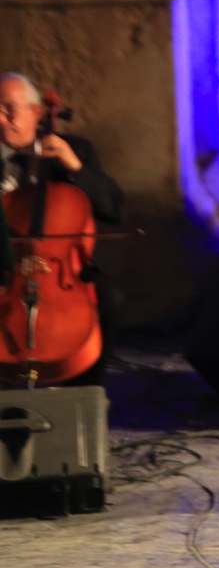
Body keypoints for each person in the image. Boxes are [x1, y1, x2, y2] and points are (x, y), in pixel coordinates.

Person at [0, 71, 125, 385]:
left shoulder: (76, 150)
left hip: (62, 270)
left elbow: (116, 210)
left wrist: (76, 168)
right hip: (5, 269)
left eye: (9, 109)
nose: (1, 119)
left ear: (36, 112)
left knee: (109, 299)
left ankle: (87, 394)